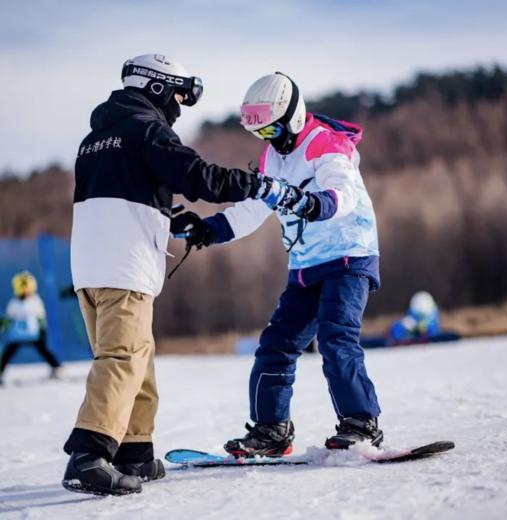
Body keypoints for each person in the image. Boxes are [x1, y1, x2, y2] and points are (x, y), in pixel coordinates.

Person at [62, 55, 306, 496]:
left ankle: (134, 451)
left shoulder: (95, 139)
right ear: (156, 88)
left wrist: (164, 215)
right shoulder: (145, 128)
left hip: (90, 266)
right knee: (122, 358)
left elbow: (122, 196)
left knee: (137, 356)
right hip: (124, 265)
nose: (179, 105)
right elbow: (195, 176)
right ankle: (89, 456)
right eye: (179, 94)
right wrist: (256, 185)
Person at [170, 72, 383, 458]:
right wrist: (208, 230)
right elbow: (255, 208)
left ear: (294, 118)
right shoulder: (274, 157)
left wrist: (311, 202)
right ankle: (271, 431)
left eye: (272, 131)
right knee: (276, 346)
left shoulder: (326, 143)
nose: (267, 141)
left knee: (336, 339)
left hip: (348, 257)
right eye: (260, 134)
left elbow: (341, 193)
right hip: (305, 266)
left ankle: (361, 423)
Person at [0, 271, 61, 385]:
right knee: (8, 352)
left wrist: (43, 331)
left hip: (34, 334)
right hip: (17, 336)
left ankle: (57, 368)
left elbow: (41, 317)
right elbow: (9, 318)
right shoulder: (14, 303)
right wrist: (4, 325)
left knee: (43, 350)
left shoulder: (35, 301)